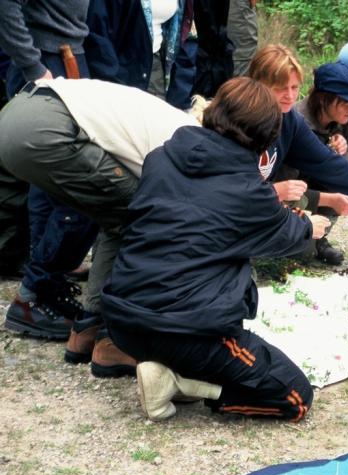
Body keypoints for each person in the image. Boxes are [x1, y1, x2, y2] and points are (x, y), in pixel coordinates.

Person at [101, 78, 324, 422]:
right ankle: (188, 384)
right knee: (295, 398)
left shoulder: (160, 158)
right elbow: (288, 231)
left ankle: (172, 371)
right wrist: (312, 226)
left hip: (123, 320)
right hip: (184, 333)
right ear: (265, 137)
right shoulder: (248, 190)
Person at [0, 77, 200, 375]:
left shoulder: (172, 120)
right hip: (50, 128)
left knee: (114, 214)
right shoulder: (189, 141)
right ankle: (113, 340)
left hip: (17, 116)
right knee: (140, 217)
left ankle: (87, 330)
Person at [0, 0, 99, 338]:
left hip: (72, 54)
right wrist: (32, 66)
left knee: (51, 185)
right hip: (46, 59)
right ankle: (33, 296)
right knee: (66, 182)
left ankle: (46, 288)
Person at [245, 45, 348, 223]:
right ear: (259, 84)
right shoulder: (239, 123)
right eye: (281, 88)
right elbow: (232, 189)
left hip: (266, 198)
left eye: (294, 87)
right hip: (240, 209)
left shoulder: (289, 120)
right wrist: (279, 195)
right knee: (300, 235)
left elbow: (327, 163)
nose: (290, 96)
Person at [279, 61, 348, 265]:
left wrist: (343, 144)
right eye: (347, 101)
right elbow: (286, 189)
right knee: (301, 253)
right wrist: (329, 200)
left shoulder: (346, 117)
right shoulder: (295, 122)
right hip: (289, 191)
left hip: (316, 182)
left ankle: (320, 237)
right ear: (324, 99)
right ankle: (295, 236)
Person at [85, 0, 196, 109]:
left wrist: (180, 94)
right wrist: (111, 82)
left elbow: (186, 34)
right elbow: (97, 32)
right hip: (117, 68)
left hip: (159, 65)